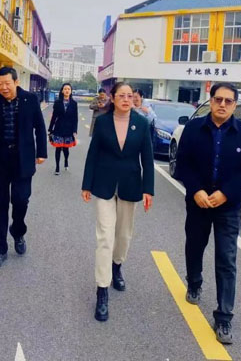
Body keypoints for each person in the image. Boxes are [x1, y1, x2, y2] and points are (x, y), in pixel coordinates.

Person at [175, 82, 241, 344]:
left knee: (226, 259)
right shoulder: (193, 128)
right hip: (198, 202)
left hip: (228, 206)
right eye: (218, 99)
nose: (222, 104)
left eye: (228, 101)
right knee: (194, 246)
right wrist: (196, 190)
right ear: (210, 101)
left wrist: (226, 193)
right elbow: (182, 162)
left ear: (234, 105)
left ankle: (224, 317)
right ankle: (194, 282)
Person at [81, 82, 154, 322]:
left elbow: (147, 158)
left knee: (123, 236)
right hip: (104, 184)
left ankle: (117, 265)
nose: (126, 99)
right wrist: (86, 184)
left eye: (130, 96)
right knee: (105, 236)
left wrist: (148, 189)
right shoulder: (102, 122)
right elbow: (93, 154)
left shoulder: (141, 123)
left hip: (130, 185)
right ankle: (102, 290)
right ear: (113, 98)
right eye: (121, 95)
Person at [0, 66, 48, 268]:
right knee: (0, 205)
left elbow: (40, 127)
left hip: (22, 159)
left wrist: (42, 152)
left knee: (21, 200)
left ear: (16, 82)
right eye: (0, 84)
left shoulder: (30, 100)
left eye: (7, 83)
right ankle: (0, 249)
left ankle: (18, 231)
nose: (3, 88)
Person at [48, 83, 79, 175]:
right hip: (58, 128)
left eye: (68, 89)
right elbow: (54, 117)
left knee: (66, 149)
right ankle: (57, 167)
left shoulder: (74, 104)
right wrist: (50, 129)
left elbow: (75, 118)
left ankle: (66, 160)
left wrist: (75, 130)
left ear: (71, 91)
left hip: (69, 130)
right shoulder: (57, 103)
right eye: (65, 89)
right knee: (58, 148)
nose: (67, 90)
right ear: (62, 91)